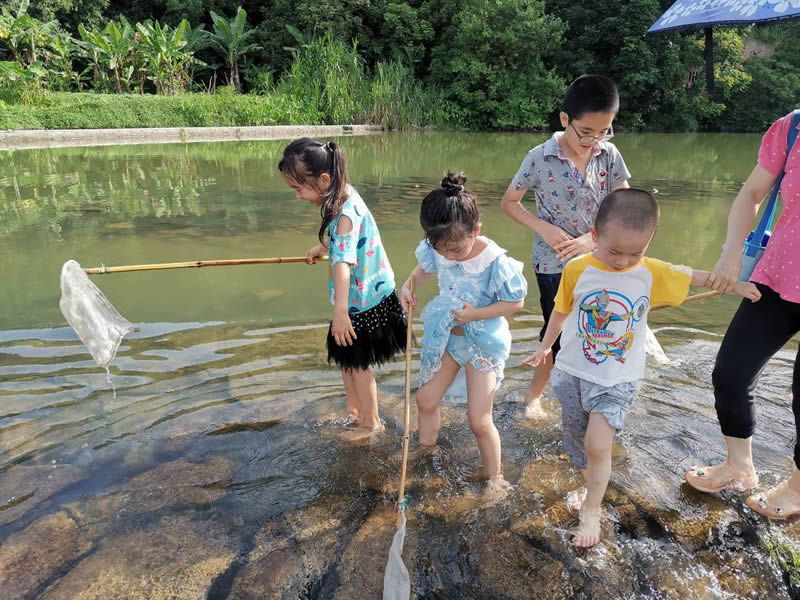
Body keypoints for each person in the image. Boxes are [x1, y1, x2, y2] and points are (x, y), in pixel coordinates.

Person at [522, 188, 760, 547]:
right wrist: (544, 347)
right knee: (579, 445)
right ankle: (591, 485)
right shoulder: (577, 268)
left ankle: (592, 510)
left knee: (597, 444)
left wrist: (735, 284)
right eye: (615, 251)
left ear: (649, 243)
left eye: (636, 252)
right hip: (572, 372)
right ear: (595, 235)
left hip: (616, 380)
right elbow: (560, 310)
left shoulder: (648, 272)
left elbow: (695, 275)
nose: (623, 261)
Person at [686, 110, 800, 519]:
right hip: (777, 275)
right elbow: (750, 195)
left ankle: (799, 487)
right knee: (731, 373)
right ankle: (739, 467)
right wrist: (732, 252)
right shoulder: (793, 128)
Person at [501, 74, 631, 419]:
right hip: (553, 262)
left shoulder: (609, 154)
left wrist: (594, 239)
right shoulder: (539, 157)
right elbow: (510, 202)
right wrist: (541, 226)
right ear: (564, 120)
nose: (593, 140)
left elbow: (623, 206)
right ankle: (534, 396)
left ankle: (592, 396)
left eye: (603, 131)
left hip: (602, 259)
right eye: (586, 131)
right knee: (555, 331)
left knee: (598, 329)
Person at [400, 172, 527, 495]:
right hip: (450, 337)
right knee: (425, 398)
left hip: (484, 343)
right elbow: (423, 269)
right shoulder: (439, 248)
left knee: (478, 420)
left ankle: (496, 480)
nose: (448, 257)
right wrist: (408, 286)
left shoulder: (494, 261)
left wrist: (475, 314)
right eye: (442, 251)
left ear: (476, 231)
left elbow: (516, 302)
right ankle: (425, 453)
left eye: (455, 250)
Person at [279, 138, 406, 433]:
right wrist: (322, 246)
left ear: (323, 180)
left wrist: (341, 313)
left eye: (299, 188)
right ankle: (353, 410)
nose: (297, 196)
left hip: (360, 301)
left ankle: (370, 423)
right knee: (347, 358)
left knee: (358, 364)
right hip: (368, 292)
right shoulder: (345, 194)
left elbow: (343, 266)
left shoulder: (344, 218)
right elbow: (347, 242)